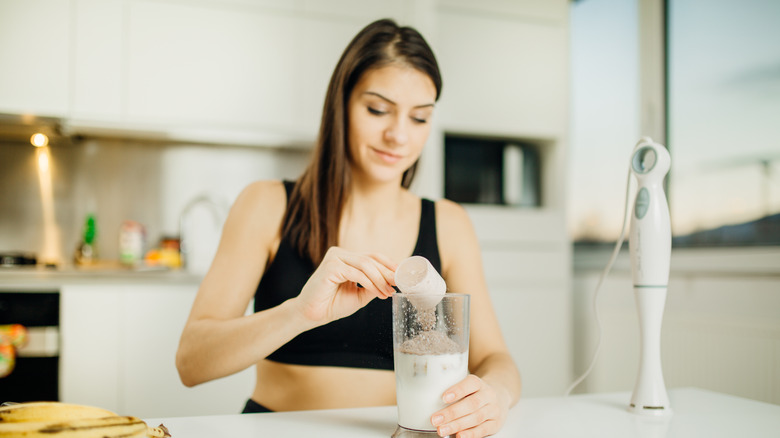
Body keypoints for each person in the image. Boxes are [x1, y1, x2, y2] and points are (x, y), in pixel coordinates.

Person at [175, 18, 522, 438]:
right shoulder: (267, 205)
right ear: (341, 105)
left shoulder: (449, 223)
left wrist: (496, 396)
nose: (398, 135)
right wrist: (299, 313)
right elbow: (191, 362)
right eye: (378, 110)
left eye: (419, 118)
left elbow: (496, 359)